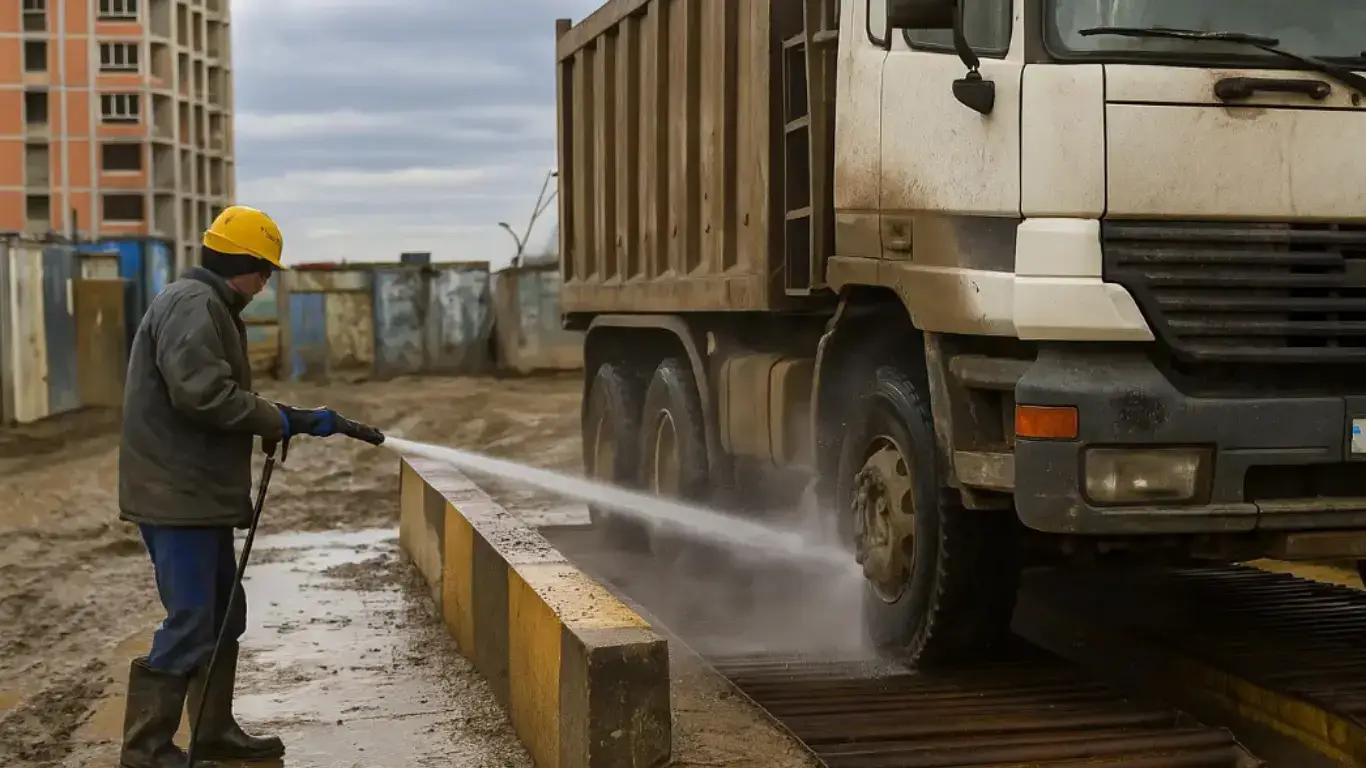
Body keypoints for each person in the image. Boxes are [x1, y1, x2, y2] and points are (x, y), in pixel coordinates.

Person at [117, 206, 353, 768]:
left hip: (195, 494)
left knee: (224, 611)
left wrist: (283, 414)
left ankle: (215, 732)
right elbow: (202, 395)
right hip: (177, 496)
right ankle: (145, 749)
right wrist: (279, 418)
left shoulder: (206, 305)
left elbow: (212, 395)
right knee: (193, 616)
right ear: (244, 264)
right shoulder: (194, 306)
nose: (266, 282)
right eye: (265, 271)